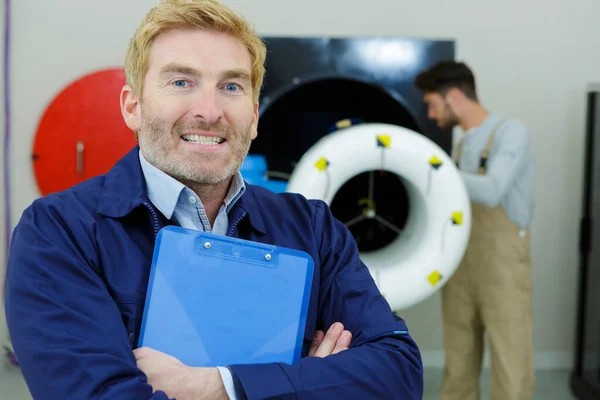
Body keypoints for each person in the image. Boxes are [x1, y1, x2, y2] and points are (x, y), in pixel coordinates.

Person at [4, 1, 423, 399]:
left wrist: (223, 387)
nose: (209, 110)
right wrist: (308, 382)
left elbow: (399, 373)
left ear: (254, 115)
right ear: (133, 106)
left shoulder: (312, 227)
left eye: (231, 86)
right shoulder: (59, 232)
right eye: (181, 82)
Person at [414, 60, 536, 400]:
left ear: (453, 96)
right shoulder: (463, 143)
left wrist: (431, 168)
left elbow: (494, 189)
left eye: (432, 104)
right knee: (459, 358)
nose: (432, 114)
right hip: (461, 260)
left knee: (511, 361)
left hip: (503, 264)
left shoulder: (511, 132)